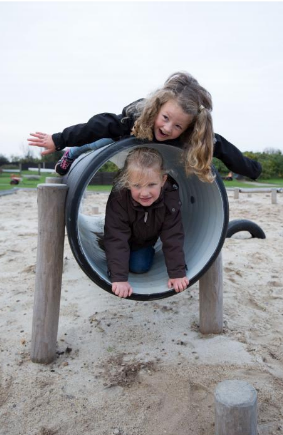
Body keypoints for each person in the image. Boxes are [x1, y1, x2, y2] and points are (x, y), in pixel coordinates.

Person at [27, 71, 262, 182]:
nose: (169, 128)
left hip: (157, 151)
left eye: (178, 126)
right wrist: (58, 139)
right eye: (166, 118)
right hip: (131, 135)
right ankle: (72, 153)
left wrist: (253, 170)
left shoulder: (193, 133)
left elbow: (225, 150)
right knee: (100, 141)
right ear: (157, 109)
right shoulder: (135, 119)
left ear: (189, 127)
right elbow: (98, 125)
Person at [104, 147, 189, 298]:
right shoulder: (119, 198)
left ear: (163, 180)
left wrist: (177, 273)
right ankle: (114, 257)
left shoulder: (170, 198)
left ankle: (137, 253)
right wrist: (119, 278)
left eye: (151, 185)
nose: (144, 193)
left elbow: (173, 235)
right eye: (137, 185)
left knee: (139, 266)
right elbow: (116, 235)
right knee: (114, 247)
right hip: (123, 237)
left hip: (142, 242)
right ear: (128, 183)